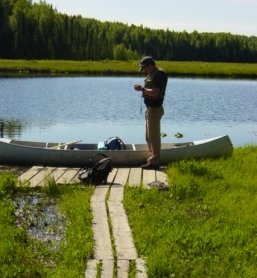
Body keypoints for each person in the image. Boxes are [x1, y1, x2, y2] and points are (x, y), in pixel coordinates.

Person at [134, 56, 168, 169]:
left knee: (154, 137)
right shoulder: (151, 74)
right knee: (148, 136)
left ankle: (155, 162)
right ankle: (151, 158)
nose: (144, 70)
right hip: (149, 109)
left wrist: (142, 89)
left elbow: (155, 92)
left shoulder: (159, 75)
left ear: (150, 65)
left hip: (155, 109)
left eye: (145, 67)